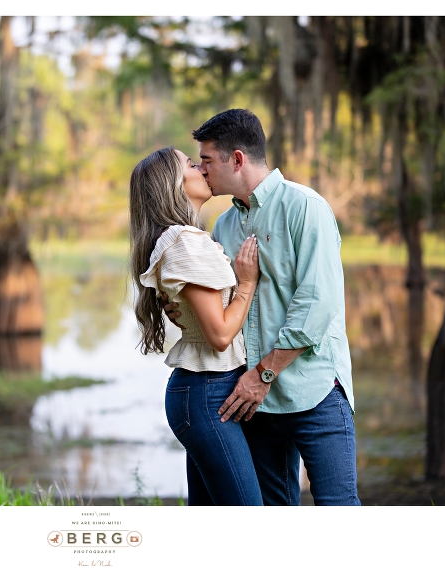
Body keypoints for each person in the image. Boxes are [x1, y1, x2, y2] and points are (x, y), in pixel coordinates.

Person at [165, 109, 360, 506]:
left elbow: (316, 305)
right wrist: (182, 308)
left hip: (316, 389)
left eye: (206, 160)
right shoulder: (223, 226)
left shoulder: (305, 206)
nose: (201, 170)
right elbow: (223, 307)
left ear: (237, 159)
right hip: (257, 401)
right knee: (274, 514)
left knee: (339, 509)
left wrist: (264, 372)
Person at [129, 146, 263, 505]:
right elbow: (219, 335)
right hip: (208, 394)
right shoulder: (184, 242)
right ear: (174, 184)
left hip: (205, 391)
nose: (202, 168)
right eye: (191, 164)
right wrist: (246, 283)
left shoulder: (186, 239)